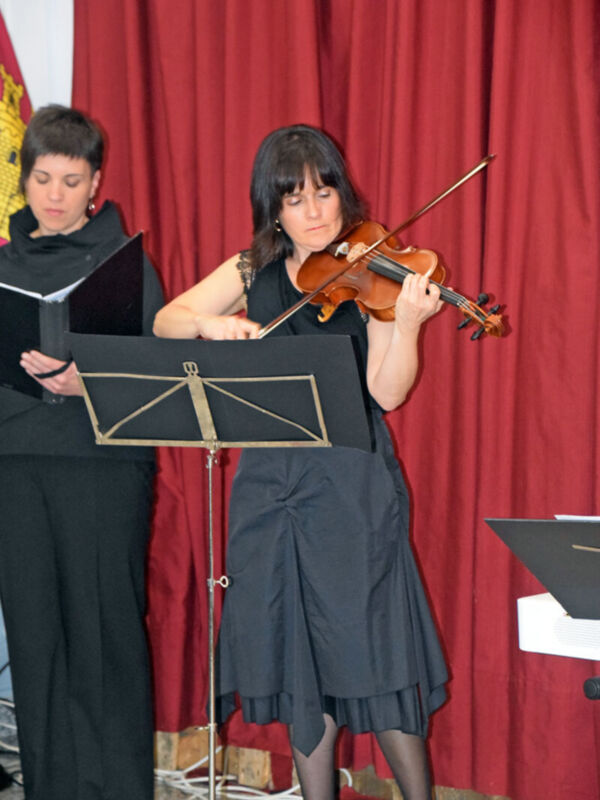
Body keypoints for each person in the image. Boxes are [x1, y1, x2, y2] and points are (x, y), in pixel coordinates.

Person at [153, 124, 448, 800]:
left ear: (343, 195)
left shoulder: (373, 271)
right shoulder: (251, 268)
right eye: (294, 199)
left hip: (352, 487)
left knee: (375, 651)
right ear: (272, 209)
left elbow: (387, 393)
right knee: (297, 658)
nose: (314, 213)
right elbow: (169, 319)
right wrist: (210, 324)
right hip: (268, 489)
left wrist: (404, 326)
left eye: (324, 193)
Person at [0, 105, 163, 800]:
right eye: (42, 179)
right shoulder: (2, 263)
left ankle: (116, 787)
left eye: (71, 180)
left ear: (96, 182)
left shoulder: (124, 261)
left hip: (103, 466)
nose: (55, 196)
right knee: (35, 638)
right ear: (25, 180)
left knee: (106, 634)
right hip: (14, 465)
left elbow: (161, 370)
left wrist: (86, 378)